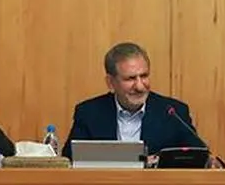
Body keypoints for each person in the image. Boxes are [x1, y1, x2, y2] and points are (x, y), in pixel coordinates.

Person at [63, 42, 206, 159]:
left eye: (144, 76)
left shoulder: (173, 112)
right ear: (111, 83)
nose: (139, 86)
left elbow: (198, 156)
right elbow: (70, 160)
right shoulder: (89, 113)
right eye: (130, 79)